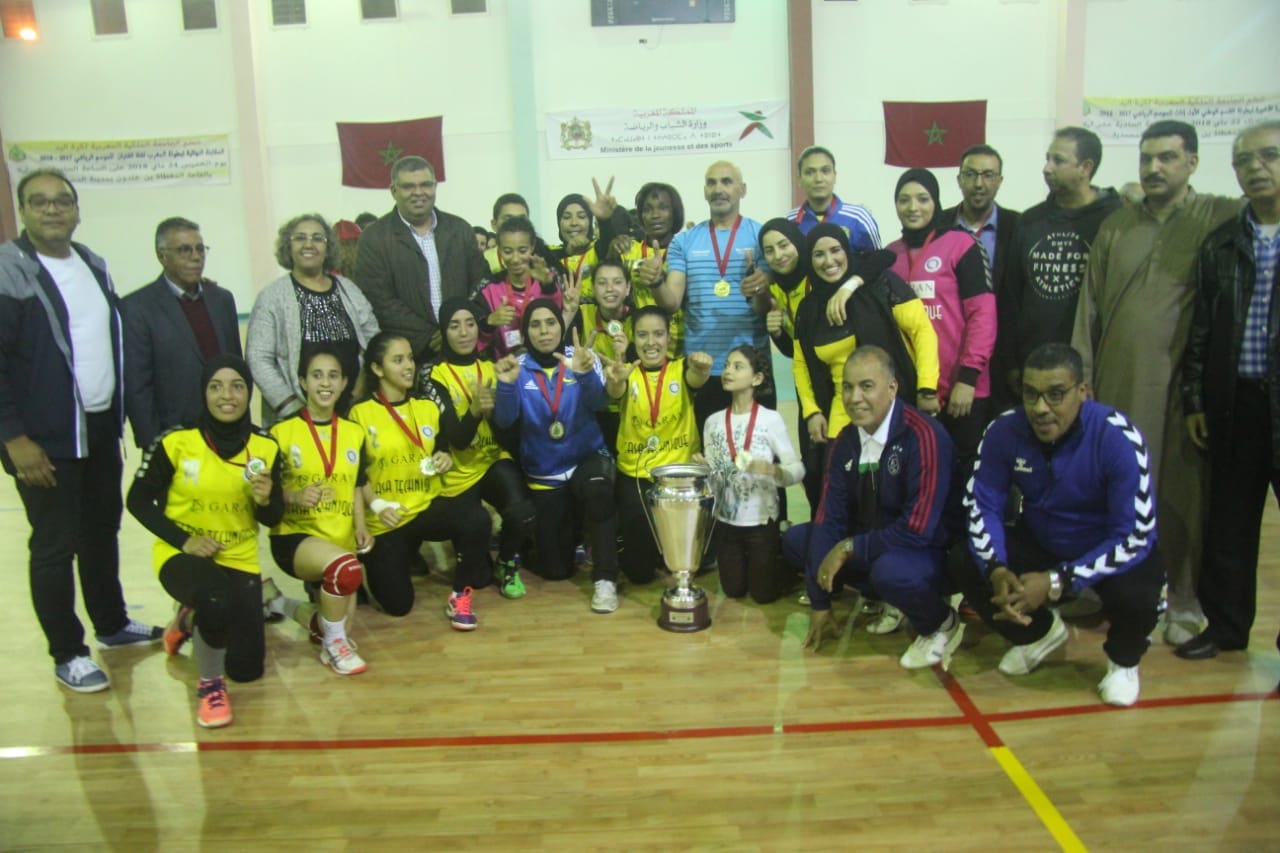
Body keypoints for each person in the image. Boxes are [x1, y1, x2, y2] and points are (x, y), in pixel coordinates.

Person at [1072, 120, 1241, 645]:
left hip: (1185, 388)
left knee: (1183, 494)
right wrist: (1083, 379)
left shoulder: (1217, 216)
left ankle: (1183, 599)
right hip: (1120, 379)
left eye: (1167, 157)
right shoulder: (1117, 225)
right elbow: (1088, 307)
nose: (1153, 168)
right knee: (1114, 486)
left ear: (1192, 163)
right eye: (1146, 158)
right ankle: (1105, 586)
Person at [0, 168, 162, 694]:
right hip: (44, 439)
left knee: (100, 531)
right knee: (54, 545)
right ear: (23, 210)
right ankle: (67, 652)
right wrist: (14, 438)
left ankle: (111, 623)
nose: (52, 209)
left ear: (76, 210)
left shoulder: (92, 263)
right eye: (39, 201)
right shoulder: (10, 270)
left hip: (96, 428)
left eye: (62, 201)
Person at [957, 343, 1161, 706]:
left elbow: (1133, 535)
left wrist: (1056, 581)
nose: (1040, 408)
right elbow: (982, 505)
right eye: (1030, 394)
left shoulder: (1117, 436)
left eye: (1055, 395)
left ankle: (1124, 662)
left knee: (1139, 593)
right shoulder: (1003, 430)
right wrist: (996, 567)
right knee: (963, 560)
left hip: (1106, 546)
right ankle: (1038, 635)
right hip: (1044, 541)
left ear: (1083, 392)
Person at [126, 355, 283, 727]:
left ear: (249, 393)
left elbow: (273, 517)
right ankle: (211, 687)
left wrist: (265, 500)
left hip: (238, 556)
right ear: (203, 393)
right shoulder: (176, 441)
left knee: (246, 669)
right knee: (215, 598)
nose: (227, 395)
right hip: (182, 555)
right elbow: (136, 501)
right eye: (216, 387)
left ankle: (187, 619)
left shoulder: (266, 446)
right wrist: (184, 540)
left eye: (237, 386)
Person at [1176, 121, 1280, 662]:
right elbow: (1201, 331)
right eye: (1243, 160)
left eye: (1269, 155)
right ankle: (1226, 627)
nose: (1255, 168)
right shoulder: (1222, 243)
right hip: (1235, 402)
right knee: (1230, 523)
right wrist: (1195, 399)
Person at [788, 346, 959, 668]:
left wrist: (850, 547)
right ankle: (888, 598)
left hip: (928, 549)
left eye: (866, 386)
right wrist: (820, 603)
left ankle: (941, 621)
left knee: (889, 572)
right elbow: (828, 519)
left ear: (892, 388)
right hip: (876, 541)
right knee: (798, 541)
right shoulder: (845, 441)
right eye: (847, 387)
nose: (854, 398)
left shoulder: (924, 435)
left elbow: (918, 530)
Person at [348, 332, 493, 628]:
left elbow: (440, 448)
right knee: (398, 606)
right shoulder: (359, 414)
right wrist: (376, 506)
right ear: (377, 369)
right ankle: (375, 562)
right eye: (398, 360)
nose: (408, 366)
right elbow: (355, 475)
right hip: (387, 518)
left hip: (426, 506)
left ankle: (459, 595)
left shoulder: (426, 407)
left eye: (410, 359)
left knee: (478, 519)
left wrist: (444, 458)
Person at [493, 301, 622, 613]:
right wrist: (506, 387)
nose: (544, 331)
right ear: (526, 332)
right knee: (556, 570)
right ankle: (548, 539)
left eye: (550, 323)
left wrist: (584, 374)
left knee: (598, 490)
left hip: (586, 456)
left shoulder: (581, 357)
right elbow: (505, 421)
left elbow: (599, 403)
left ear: (561, 326)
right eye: (535, 325)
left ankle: (605, 579)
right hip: (545, 471)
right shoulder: (516, 367)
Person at [266, 345, 369, 675]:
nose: (325, 383)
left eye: (333, 376)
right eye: (317, 375)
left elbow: (356, 485)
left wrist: (361, 525)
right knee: (346, 574)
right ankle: (336, 647)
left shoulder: (354, 433)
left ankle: (276, 601)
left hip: (340, 541)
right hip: (296, 537)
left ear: (344, 383)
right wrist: (294, 495)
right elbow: (265, 493)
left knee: (328, 626)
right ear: (302, 381)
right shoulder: (281, 433)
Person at [886, 168, 995, 469]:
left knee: (962, 473)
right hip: (914, 393)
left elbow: (983, 314)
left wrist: (968, 378)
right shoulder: (891, 256)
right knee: (921, 474)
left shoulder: (962, 245)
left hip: (961, 389)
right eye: (904, 200)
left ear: (936, 202)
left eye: (922, 199)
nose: (913, 207)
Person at [430, 298, 537, 600]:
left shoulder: (492, 368)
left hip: (492, 460)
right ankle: (477, 557)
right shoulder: (435, 377)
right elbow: (457, 439)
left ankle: (507, 561)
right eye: (454, 326)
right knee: (477, 579)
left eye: (470, 324)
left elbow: (509, 434)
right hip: (458, 471)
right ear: (444, 332)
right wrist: (476, 410)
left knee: (522, 511)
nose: (464, 332)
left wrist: (498, 411)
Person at [794, 223, 938, 445]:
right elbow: (800, 364)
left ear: (846, 250)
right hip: (841, 419)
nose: (829, 261)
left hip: (893, 408)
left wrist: (927, 387)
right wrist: (811, 411)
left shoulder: (881, 284)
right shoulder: (808, 310)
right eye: (818, 254)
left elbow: (922, 331)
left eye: (835, 250)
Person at [652, 161, 771, 427]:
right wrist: (656, 281)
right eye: (711, 183)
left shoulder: (761, 237)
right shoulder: (684, 241)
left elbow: (764, 310)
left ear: (742, 189)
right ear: (704, 191)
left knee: (753, 448)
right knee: (706, 448)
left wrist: (759, 290)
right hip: (701, 367)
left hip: (751, 369)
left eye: (727, 182)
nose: (718, 189)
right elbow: (671, 302)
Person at [1005, 128, 1122, 393]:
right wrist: (1010, 361)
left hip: (1093, 365)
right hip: (1035, 363)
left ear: (1085, 167)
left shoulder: (1115, 220)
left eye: (1058, 160)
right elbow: (1011, 295)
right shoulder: (1030, 221)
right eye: (1047, 159)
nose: (1047, 168)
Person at [607, 306, 713, 586]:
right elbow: (615, 391)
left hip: (678, 477)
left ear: (668, 336)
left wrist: (702, 369)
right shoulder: (626, 372)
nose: (651, 342)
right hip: (636, 474)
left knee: (691, 562)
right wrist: (615, 380)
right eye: (643, 335)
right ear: (633, 337)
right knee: (638, 573)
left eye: (658, 334)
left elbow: (697, 378)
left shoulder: (680, 368)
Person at [245, 214, 380, 422]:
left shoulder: (349, 289)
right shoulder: (272, 297)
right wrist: (291, 407)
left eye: (318, 238)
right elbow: (258, 358)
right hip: (295, 416)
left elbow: (375, 342)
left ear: (329, 248)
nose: (309, 244)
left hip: (353, 409)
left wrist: (362, 387)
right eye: (300, 238)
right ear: (288, 247)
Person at [353, 156, 489, 361]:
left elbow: (481, 284)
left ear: (435, 186)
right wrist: (433, 336)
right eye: (409, 186)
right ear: (394, 191)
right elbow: (379, 300)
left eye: (425, 185)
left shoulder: (460, 230)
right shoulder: (374, 238)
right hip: (408, 356)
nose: (418, 192)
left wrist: (458, 327)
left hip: (464, 350)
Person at [124, 216, 242, 450]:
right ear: (162, 256)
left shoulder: (222, 299)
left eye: (200, 249)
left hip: (226, 429)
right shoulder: (137, 308)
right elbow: (137, 386)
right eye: (184, 250)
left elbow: (236, 366)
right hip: (173, 435)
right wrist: (153, 444)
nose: (196, 257)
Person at [699, 345, 804, 603]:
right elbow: (715, 476)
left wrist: (774, 470)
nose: (727, 372)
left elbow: (798, 469)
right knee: (733, 591)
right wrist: (704, 468)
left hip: (761, 521)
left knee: (763, 595)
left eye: (738, 367)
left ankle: (789, 568)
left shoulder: (770, 420)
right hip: (726, 520)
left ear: (756, 378)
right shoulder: (712, 422)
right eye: (726, 366)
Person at [940, 145, 1022, 410]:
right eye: (971, 174)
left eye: (988, 175)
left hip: (1005, 359)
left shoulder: (1020, 227)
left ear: (1000, 180)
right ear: (959, 179)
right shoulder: (939, 225)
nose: (978, 183)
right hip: (953, 360)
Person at [474, 216, 574, 358]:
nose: (515, 259)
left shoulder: (546, 282)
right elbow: (475, 340)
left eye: (522, 250)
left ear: (532, 247)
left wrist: (548, 286)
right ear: (499, 249)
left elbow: (558, 321)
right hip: (506, 366)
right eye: (508, 251)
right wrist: (489, 322)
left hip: (545, 365)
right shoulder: (489, 289)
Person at [616, 181, 687, 356]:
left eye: (663, 208)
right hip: (639, 346)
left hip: (679, 348)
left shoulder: (687, 251)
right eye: (647, 209)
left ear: (675, 213)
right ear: (640, 215)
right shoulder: (627, 250)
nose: (655, 215)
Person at [571, 256, 635, 448]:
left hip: (629, 407)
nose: (609, 289)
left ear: (628, 288)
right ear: (592, 287)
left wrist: (628, 353)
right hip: (591, 409)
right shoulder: (581, 314)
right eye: (602, 283)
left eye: (617, 282)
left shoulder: (638, 319)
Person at [785, 145, 881, 248]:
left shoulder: (859, 218)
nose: (818, 179)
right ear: (799, 180)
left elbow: (878, 257)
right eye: (810, 172)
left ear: (835, 176)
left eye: (825, 171)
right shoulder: (790, 221)